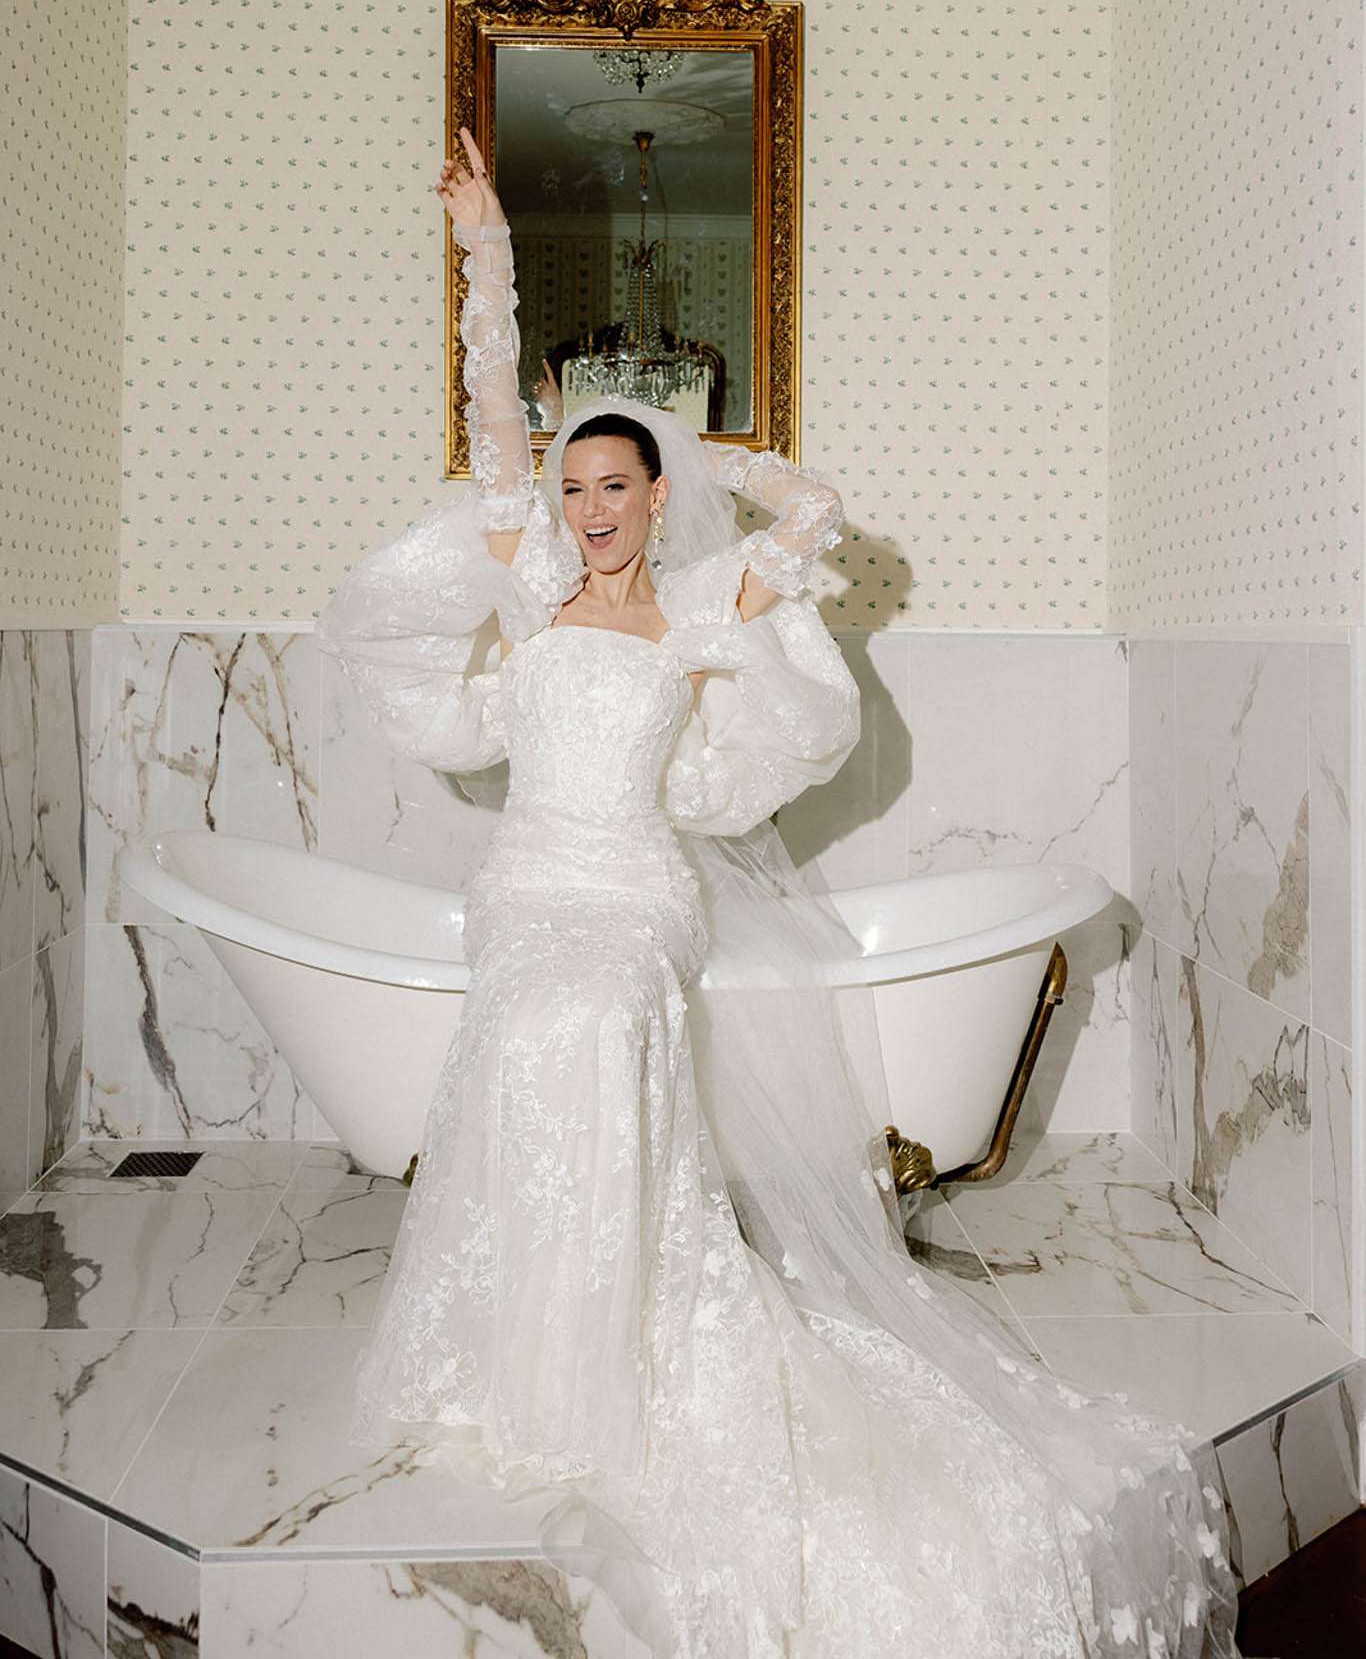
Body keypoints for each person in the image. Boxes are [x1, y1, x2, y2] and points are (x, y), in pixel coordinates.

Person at [314, 127, 1242, 1658]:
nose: (597, 504)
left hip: (629, 892)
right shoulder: (527, 576)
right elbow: (492, 411)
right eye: (579, 482)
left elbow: (811, 520)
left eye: (622, 481)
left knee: (595, 1008)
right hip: (523, 883)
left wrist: (710, 465)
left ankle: (612, 1350)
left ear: (649, 490)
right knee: (524, 1030)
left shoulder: (692, 603)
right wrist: (486, 250)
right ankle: (513, 1351)